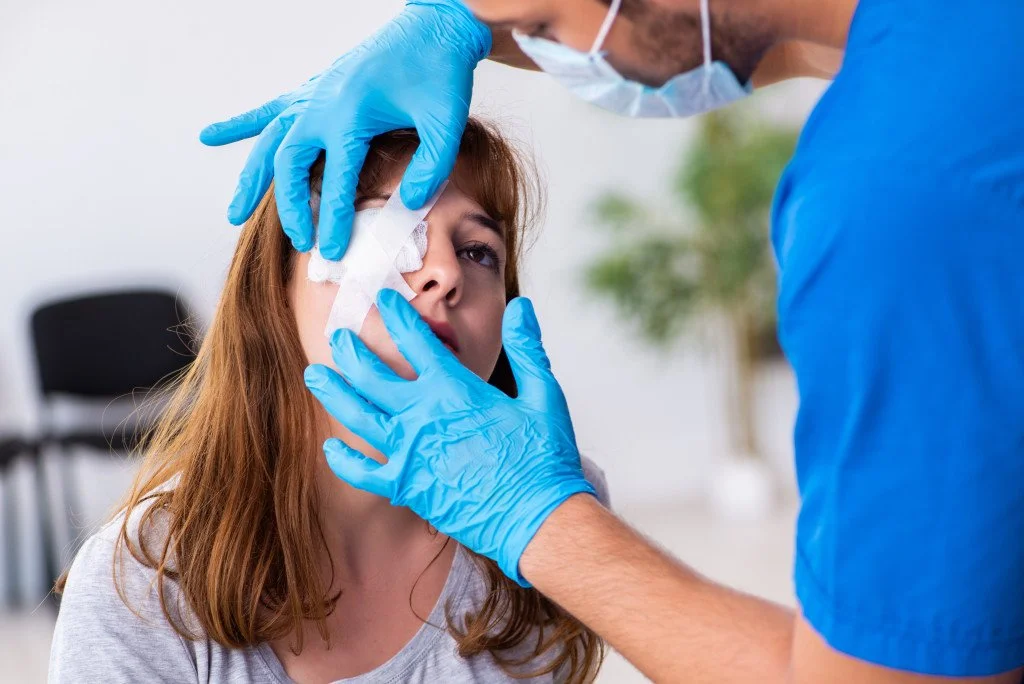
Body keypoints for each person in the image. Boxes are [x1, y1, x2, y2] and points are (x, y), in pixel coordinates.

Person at [199, 0, 1024, 681]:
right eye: (394, 233)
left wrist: (541, 521)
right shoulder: (960, 39)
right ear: (271, 300)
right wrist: (454, 20)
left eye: (548, 32)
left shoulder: (908, 193)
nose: (441, 274)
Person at [49, 119, 609, 683]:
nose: (444, 272)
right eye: (391, 228)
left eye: (478, 251)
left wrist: (558, 526)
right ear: (276, 289)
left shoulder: (553, 505)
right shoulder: (142, 584)